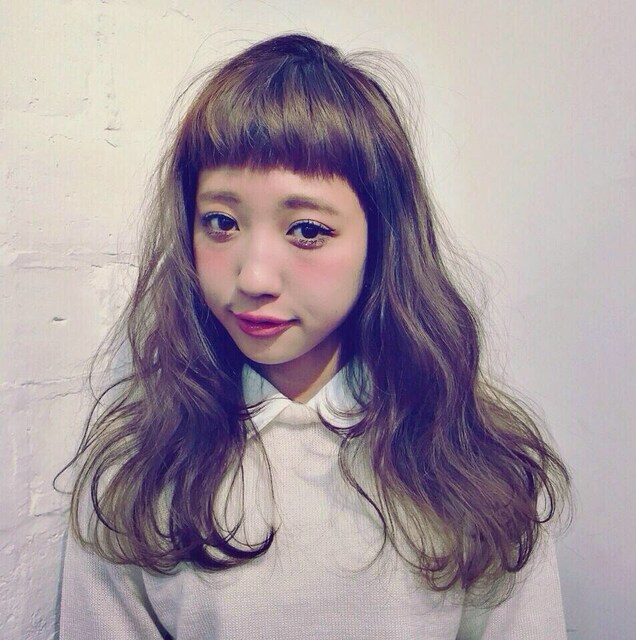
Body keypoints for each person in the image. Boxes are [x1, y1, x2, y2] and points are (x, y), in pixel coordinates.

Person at [58, 33, 572, 639]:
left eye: (306, 230)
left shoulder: (478, 464)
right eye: (220, 222)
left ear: (382, 239)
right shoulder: (135, 472)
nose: (253, 278)